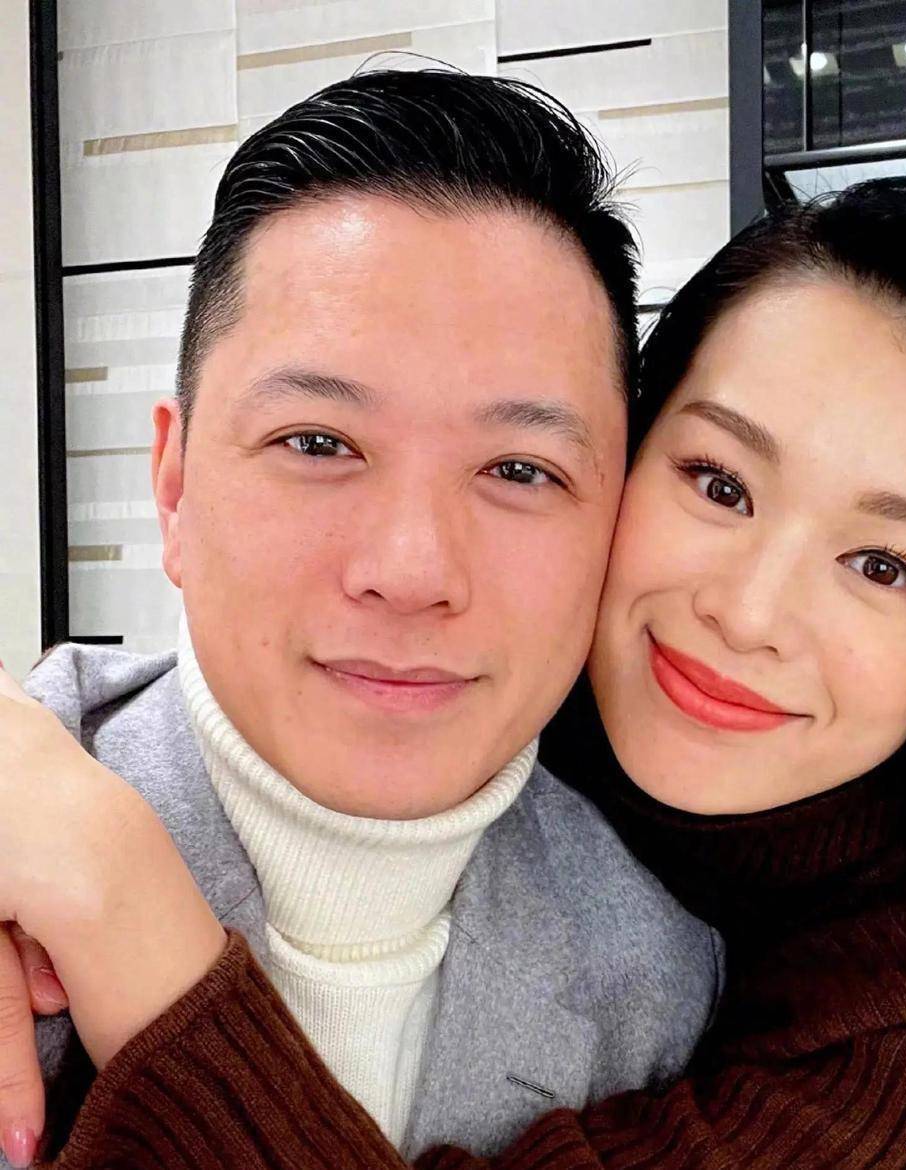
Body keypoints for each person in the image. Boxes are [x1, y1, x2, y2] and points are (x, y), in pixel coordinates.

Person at [0, 178, 906, 1168]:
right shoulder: (572, 633)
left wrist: (122, 914)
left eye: (885, 565)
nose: (745, 615)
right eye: (720, 484)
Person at [0, 68, 724, 1169]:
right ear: (175, 488)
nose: (411, 571)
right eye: (318, 443)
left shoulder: (666, 975)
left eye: (519, 469)